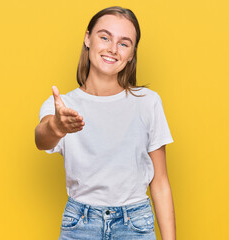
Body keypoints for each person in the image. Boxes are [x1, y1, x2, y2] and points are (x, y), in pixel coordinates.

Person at [35, 6, 176, 240]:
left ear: (132, 54)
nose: (112, 49)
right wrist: (56, 127)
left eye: (124, 43)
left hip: (136, 225)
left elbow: (160, 182)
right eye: (104, 37)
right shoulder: (62, 105)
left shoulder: (148, 103)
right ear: (88, 38)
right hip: (80, 224)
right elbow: (41, 138)